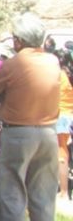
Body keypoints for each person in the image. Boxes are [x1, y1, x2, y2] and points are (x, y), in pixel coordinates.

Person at [0, 12, 60, 221]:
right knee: (44, 196)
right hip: (48, 132)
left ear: (18, 40)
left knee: (11, 194)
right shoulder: (53, 62)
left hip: (17, 132)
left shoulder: (13, 64)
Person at [56, 49, 73, 201]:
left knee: (61, 155)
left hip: (61, 116)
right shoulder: (69, 74)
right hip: (70, 115)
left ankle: (64, 192)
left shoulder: (59, 76)